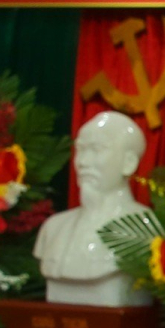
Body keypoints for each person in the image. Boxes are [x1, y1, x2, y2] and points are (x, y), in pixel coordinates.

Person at [36, 111, 156, 306]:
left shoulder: (145, 227)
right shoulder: (54, 228)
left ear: (129, 162)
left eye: (97, 149)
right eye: (81, 150)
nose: (83, 162)